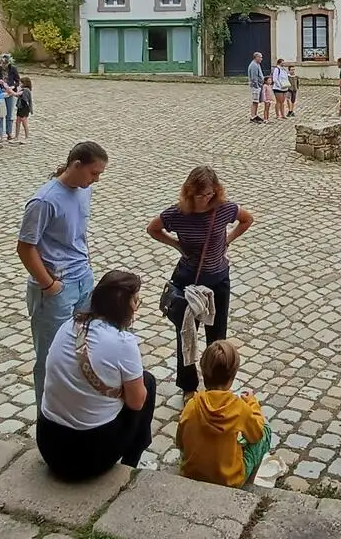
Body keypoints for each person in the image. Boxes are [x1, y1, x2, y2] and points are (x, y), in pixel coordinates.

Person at [36, 270, 156, 481]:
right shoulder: (123, 343)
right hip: (91, 455)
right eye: (136, 301)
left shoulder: (68, 326)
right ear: (125, 308)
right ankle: (131, 462)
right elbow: (136, 402)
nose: (137, 307)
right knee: (147, 383)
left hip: (49, 443)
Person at [146, 166, 253, 399]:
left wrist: (228, 240)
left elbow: (246, 220)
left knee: (217, 334)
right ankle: (188, 386)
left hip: (218, 281)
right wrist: (175, 244)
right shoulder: (177, 214)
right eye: (200, 195)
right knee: (186, 335)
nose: (206, 199)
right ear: (189, 192)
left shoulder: (224, 209)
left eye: (210, 194)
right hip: (189, 282)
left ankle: (217, 384)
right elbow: (153, 228)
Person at [17, 140, 109, 409]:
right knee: (50, 357)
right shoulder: (44, 200)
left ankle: (73, 406)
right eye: (94, 173)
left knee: (82, 349)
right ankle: (47, 418)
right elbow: (25, 247)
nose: (97, 180)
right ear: (76, 165)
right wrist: (48, 285)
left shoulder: (83, 191)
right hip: (56, 289)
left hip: (83, 282)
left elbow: (78, 235)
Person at [178, 339, 273, 488]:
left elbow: (180, 442)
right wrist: (253, 404)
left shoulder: (192, 404)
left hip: (192, 472)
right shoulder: (240, 408)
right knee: (265, 430)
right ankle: (247, 485)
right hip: (228, 479)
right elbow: (257, 435)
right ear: (232, 377)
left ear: (203, 372)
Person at [0, 53, 22, 142]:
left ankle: (9, 133)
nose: (3, 65)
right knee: (1, 114)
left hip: (10, 92)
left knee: (10, 113)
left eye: (5, 63)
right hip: (0, 93)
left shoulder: (13, 69)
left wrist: (12, 87)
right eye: (2, 63)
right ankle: (0, 134)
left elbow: (18, 81)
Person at [247, 52, 265, 123]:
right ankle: (252, 116)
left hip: (258, 86)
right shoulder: (254, 65)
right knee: (255, 101)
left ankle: (255, 115)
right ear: (256, 57)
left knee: (257, 101)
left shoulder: (257, 64)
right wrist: (257, 86)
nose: (261, 59)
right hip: (255, 86)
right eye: (260, 57)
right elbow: (254, 77)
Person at [15, 76, 34, 142]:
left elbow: (17, 94)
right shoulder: (22, 90)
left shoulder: (25, 90)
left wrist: (10, 90)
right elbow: (17, 95)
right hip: (20, 107)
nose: (20, 84)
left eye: (21, 83)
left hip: (25, 108)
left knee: (24, 122)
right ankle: (16, 137)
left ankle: (27, 137)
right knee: (17, 122)